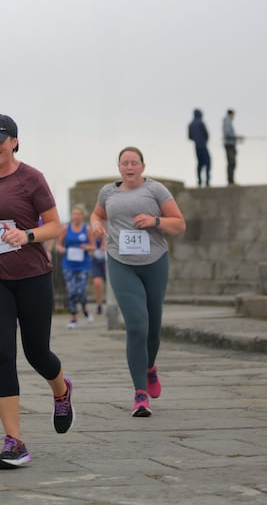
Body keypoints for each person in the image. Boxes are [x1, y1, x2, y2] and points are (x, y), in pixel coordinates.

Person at [0, 114, 74, 472]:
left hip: (33, 276)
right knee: (2, 353)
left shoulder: (31, 178)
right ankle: (14, 441)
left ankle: (61, 390)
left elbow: (55, 225)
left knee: (37, 352)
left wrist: (27, 235)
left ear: (14, 142)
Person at [90, 146, 186, 418]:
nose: (129, 167)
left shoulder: (156, 191)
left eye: (134, 163)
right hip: (121, 261)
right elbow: (97, 214)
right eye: (124, 163)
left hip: (154, 261)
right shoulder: (108, 192)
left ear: (143, 166)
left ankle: (150, 367)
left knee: (153, 328)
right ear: (119, 167)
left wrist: (154, 220)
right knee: (136, 325)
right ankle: (140, 395)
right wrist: (96, 224)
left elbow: (179, 224)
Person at [57, 204, 93, 327]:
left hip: (83, 265)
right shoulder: (66, 228)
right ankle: (73, 318)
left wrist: (87, 247)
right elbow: (59, 244)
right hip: (68, 265)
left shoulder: (87, 229)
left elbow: (93, 246)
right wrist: (61, 249)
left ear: (83, 216)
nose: (76, 216)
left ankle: (84, 308)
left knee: (80, 290)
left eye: (78, 214)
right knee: (71, 290)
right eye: (74, 214)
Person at [187, 109, 211, 186]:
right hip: (203, 146)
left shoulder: (190, 124)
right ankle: (207, 181)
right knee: (207, 162)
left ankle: (199, 181)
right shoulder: (201, 123)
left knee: (199, 163)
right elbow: (207, 134)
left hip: (196, 146)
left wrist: (196, 139)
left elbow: (190, 137)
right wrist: (204, 140)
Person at [222, 109, 243, 185]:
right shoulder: (227, 121)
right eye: (234, 115)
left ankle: (231, 181)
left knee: (231, 162)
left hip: (230, 144)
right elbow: (228, 134)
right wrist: (236, 137)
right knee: (231, 162)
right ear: (231, 114)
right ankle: (231, 181)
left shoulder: (227, 121)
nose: (234, 116)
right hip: (229, 145)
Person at [90, 236, 107, 314]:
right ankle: (99, 305)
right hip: (96, 262)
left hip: (108, 261)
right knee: (97, 283)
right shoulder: (92, 230)